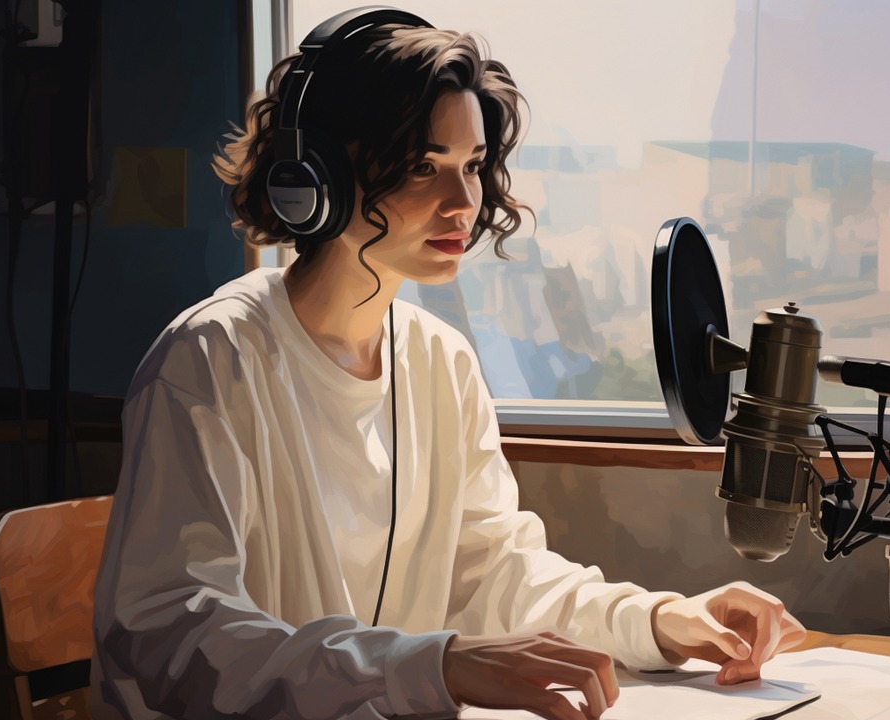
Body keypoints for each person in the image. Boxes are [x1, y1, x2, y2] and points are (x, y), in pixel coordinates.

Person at [91, 7, 806, 720]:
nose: (464, 201)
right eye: (421, 167)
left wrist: (655, 621)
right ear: (316, 180)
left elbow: (495, 573)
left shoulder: (442, 364)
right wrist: (428, 665)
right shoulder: (211, 363)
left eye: (470, 165)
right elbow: (173, 633)